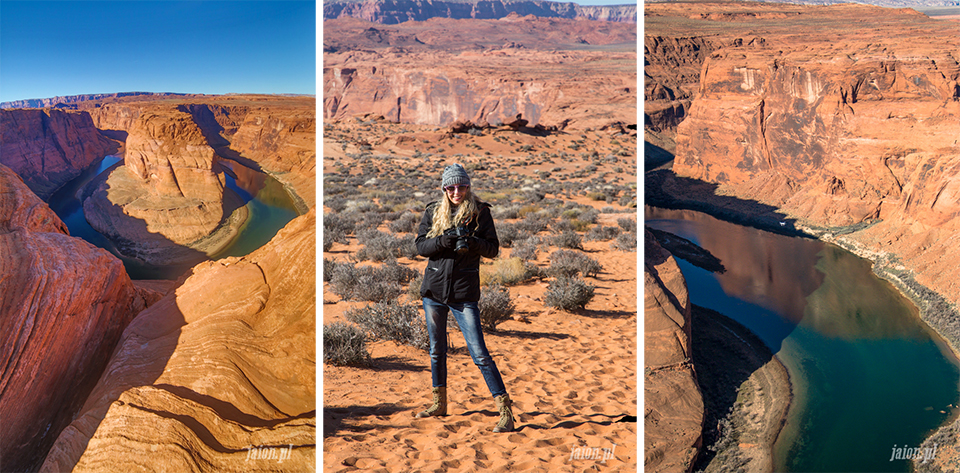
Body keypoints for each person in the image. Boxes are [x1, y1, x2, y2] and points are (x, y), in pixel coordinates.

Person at [413, 163, 515, 433]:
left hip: (463, 294)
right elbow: (420, 245)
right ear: (444, 188)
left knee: (479, 353)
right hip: (433, 292)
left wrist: (472, 243)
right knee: (436, 351)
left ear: (468, 187)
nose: (456, 191)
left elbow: (492, 250)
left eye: (461, 186)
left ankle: (506, 411)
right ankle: (440, 403)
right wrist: (443, 241)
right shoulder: (434, 211)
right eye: (450, 186)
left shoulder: (481, 213)